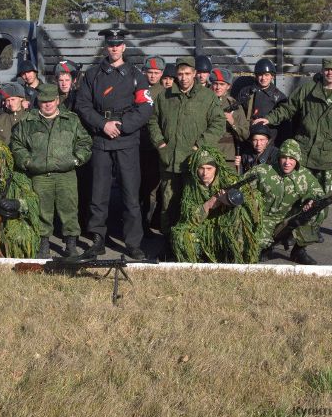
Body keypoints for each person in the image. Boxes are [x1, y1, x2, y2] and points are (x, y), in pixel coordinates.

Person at [74, 28, 154, 260]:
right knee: (98, 194)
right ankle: (98, 239)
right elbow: (83, 105)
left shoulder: (136, 75)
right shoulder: (93, 75)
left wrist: (123, 125)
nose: (115, 48)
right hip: (101, 139)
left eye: (118, 44)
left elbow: (146, 107)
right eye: (111, 44)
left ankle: (133, 243)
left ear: (124, 47)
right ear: (106, 47)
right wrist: (103, 124)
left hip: (127, 140)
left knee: (131, 194)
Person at [253, 57, 332, 233]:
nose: (329, 73)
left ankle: (313, 229)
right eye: (327, 69)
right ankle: (292, 230)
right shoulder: (308, 90)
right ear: (322, 71)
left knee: (321, 197)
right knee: (296, 193)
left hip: (326, 154)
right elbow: (288, 108)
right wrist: (270, 118)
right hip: (305, 153)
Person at [11, 83, 93, 258]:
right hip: (40, 175)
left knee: (69, 209)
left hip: (66, 174)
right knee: (42, 210)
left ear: (57, 100)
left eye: (50, 101)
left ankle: (71, 244)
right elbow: (17, 144)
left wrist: (76, 159)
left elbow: (85, 142)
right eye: (43, 101)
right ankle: (43, 245)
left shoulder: (71, 119)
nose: (47, 105)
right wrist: (27, 161)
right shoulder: (28, 121)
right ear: (38, 102)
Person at [148, 56, 226, 238]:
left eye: (188, 73)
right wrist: (160, 143)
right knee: (169, 205)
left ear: (195, 74)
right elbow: (153, 121)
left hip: (195, 164)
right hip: (170, 161)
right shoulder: (164, 96)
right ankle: (169, 243)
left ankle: (192, 242)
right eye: (180, 74)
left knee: (193, 203)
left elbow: (218, 123)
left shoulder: (207, 97)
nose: (183, 78)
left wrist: (199, 145)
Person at [170, 147, 262, 263]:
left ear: (216, 169)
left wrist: (230, 201)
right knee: (180, 234)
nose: (205, 173)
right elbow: (189, 218)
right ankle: (195, 264)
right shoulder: (191, 186)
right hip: (203, 227)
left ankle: (238, 261)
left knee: (240, 218)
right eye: (201, 168)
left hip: (225, 226)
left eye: (209, 168)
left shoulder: (230, 180)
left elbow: (251, 201)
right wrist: (208, 205)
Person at [247, 139, 325, 265]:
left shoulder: (304, 175)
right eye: (284, 158)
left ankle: (299, 250)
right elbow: (241, 188)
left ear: (297, 160)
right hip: (265, 218)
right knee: (253, 252)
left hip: (290, 217)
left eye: (292, 159)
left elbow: (319, 194)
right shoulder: (263, 171)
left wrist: (310, 200)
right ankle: (266, 247)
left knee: (318, 209)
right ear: (279, 158)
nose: (287, 163)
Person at [139, 55, 166, 234]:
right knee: (138, 187)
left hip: (155, 146)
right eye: (150, 72)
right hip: (138, 145)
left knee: (153, 188)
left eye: (156, 73)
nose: (153, 76)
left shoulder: (164, 93)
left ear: (162, 74)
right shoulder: (137, 89)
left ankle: (148, 223)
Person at [236, 57, 289, 143]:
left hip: (270, 140)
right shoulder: (246, 92)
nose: (263, 78)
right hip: (248, 138)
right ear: (256, 76)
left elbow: (284, 121)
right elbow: (238, 114)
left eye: (267, 75)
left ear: (272, 76)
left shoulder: (279, 97)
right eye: (260, 75)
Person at [209, 66, 250, 170]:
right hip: (207, 154)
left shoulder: (235, 106)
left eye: (222, 84)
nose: (218, 87)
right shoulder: (204, 103)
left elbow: (245, 134)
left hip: (227, 157)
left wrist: (233, 122)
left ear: (228, 86)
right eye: (215, 83)